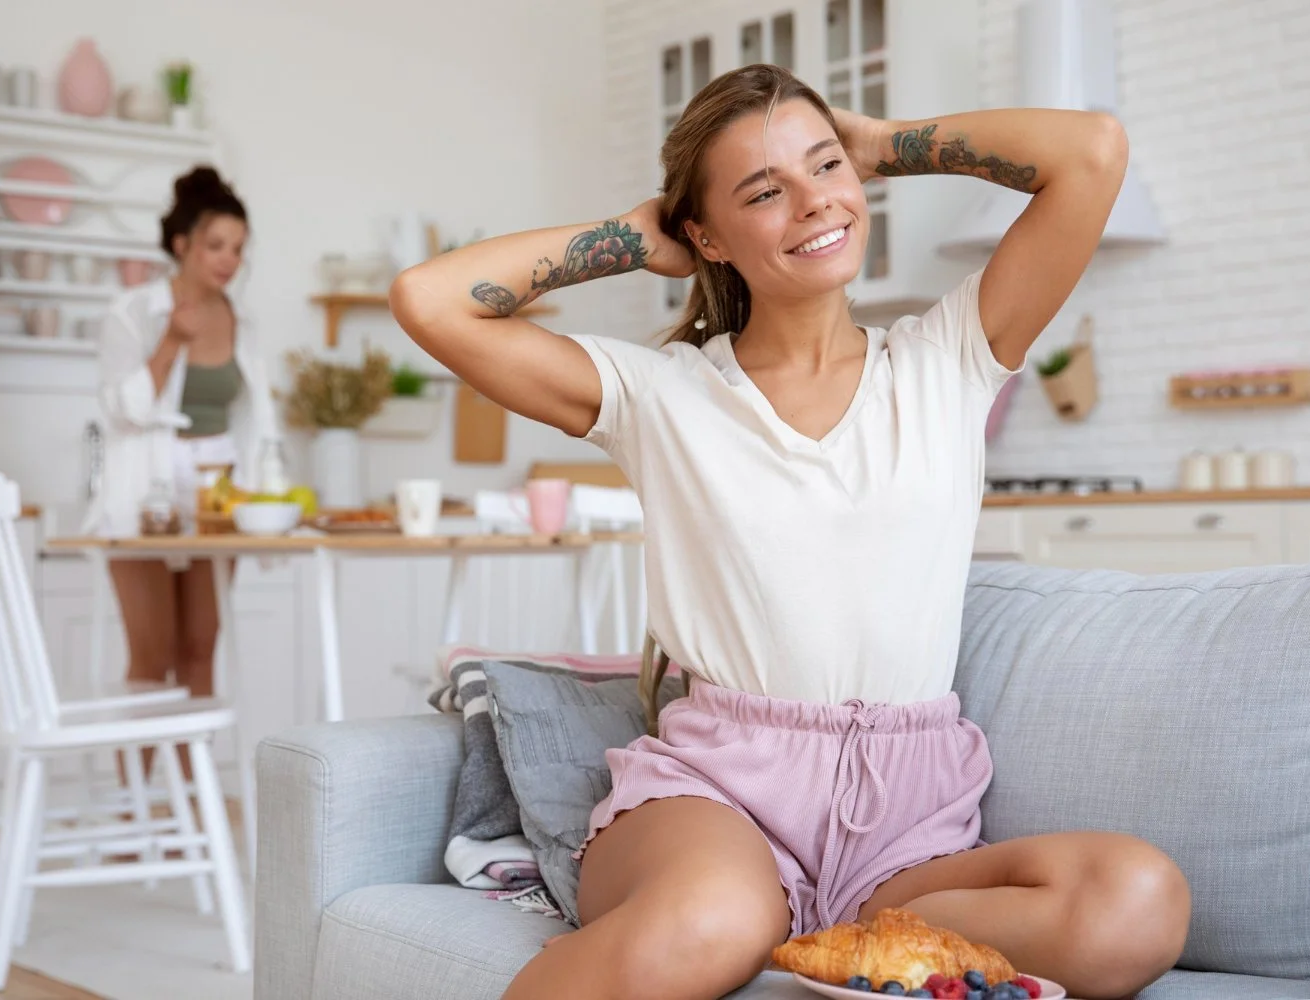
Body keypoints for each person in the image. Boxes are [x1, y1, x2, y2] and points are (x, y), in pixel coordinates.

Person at [391, 65, 1191, 1000]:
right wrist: (637, 241)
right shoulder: (661, 394)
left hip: (907, 829)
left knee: (1134, 901)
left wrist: (881, 144)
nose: (815, 202)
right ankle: (755, 927)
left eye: (825, 170)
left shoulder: (950, 360)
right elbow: (431, 299)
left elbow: (1092, 151)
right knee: (720, 917)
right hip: (718, 798)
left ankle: (830, 944)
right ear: (708, 234)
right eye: (765, 192)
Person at [84, 166, 279, 760]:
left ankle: (193, 806)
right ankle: (138, 810)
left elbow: (255, 425)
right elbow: (123, 412)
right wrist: (170, 340)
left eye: (239, 250)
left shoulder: (241, 325)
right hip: (143, 501)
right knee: (152, 655)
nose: (228, 260)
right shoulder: (133, 312)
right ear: (181, 244)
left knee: (200, 647)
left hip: (216, 501)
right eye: (216, 245)